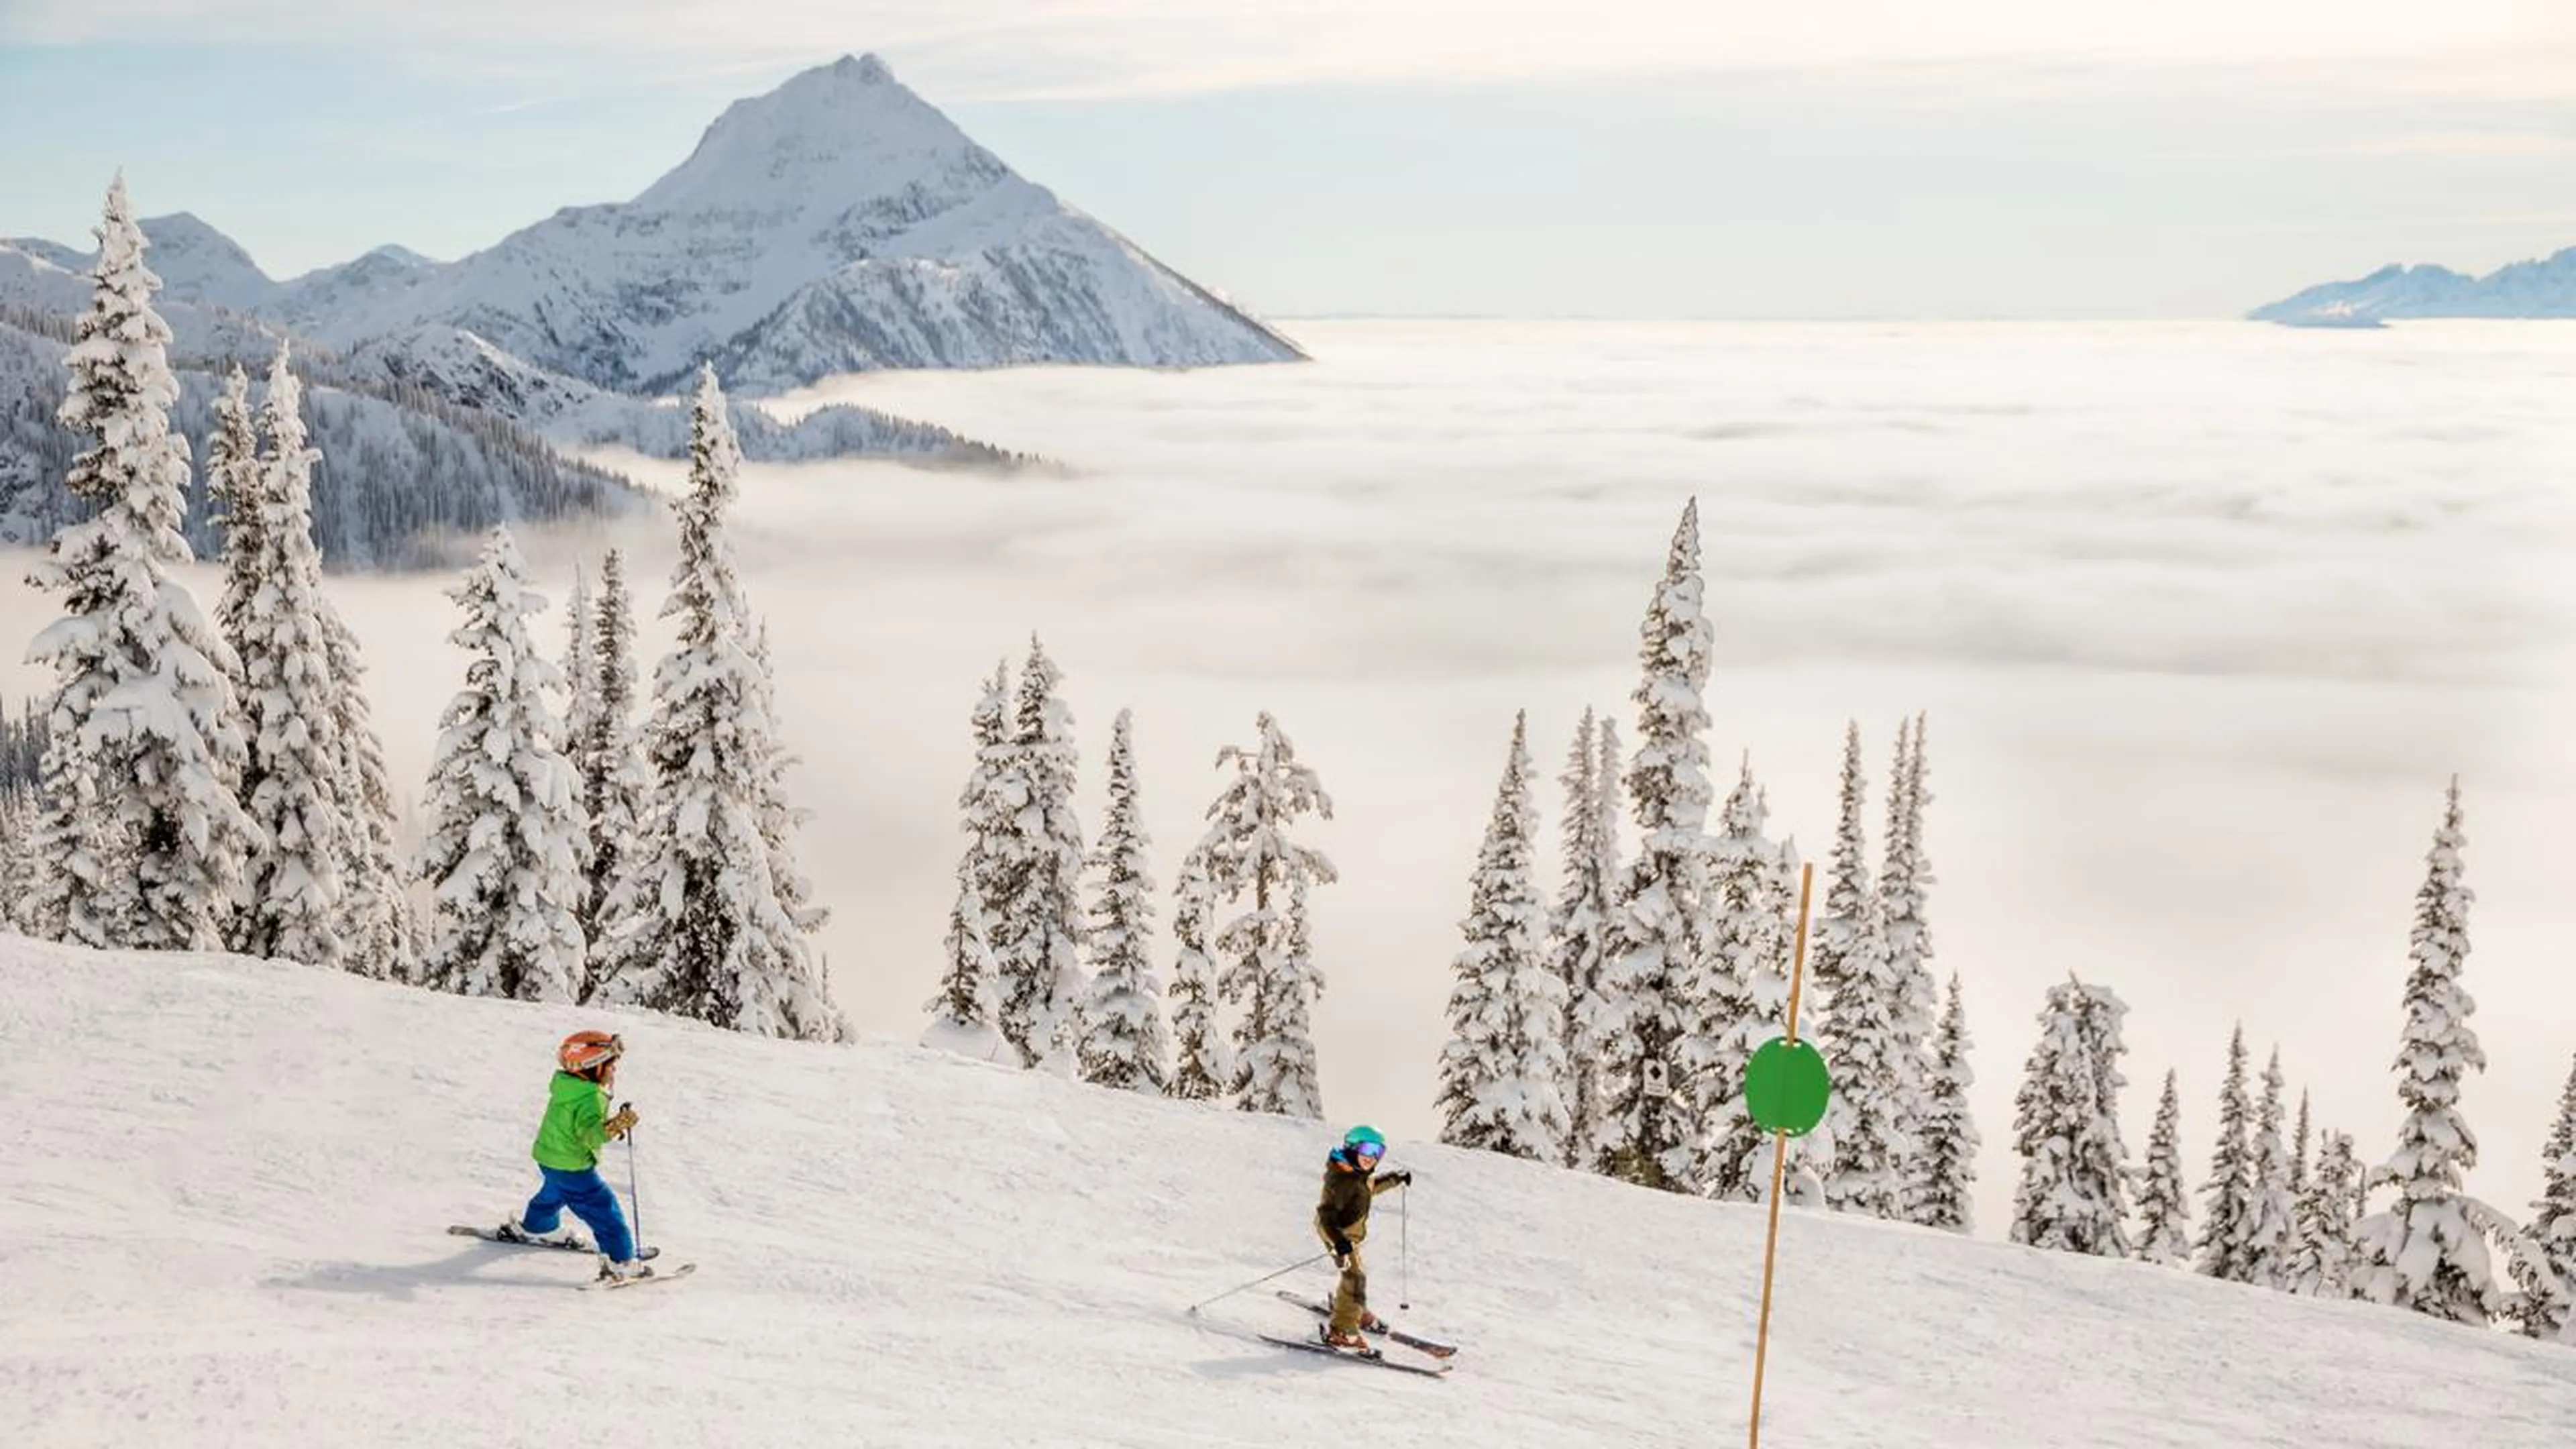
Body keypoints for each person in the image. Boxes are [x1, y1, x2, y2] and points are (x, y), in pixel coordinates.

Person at [494, 1030, 649, 1280]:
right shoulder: (590, 1097)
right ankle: (620, 1260)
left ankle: (538, 1228)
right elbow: (589, 1135)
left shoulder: (567, 1085)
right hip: (572, 1166)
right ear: (592, 1067)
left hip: (550, 1156)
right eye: (610, 1065)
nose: (614, 1071)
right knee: (603, 1210)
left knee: (554, 1193)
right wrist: (616, 1125)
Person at [1313, 1124, 1411, 1349]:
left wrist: (1396, 1179)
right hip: (1336, 1232)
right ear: (1352, 1147)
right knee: (1354, 1277)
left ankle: (1353, 1309)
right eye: (1367, 1149)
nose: (1372, 1157)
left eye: (1378, 1152)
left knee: (1355, 1275)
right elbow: (1326, 1215)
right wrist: (1338, 1242)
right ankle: (1342, 1332)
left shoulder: (1358, 1173)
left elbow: (1369, 1188)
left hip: (1348, 1235)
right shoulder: (1342, 1180)